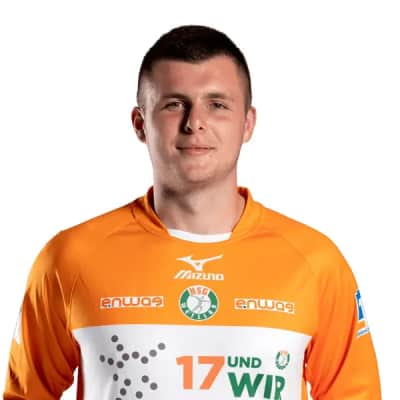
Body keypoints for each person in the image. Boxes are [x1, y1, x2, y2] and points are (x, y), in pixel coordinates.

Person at [3, 24, 381, 399]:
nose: (194, 122)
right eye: (174, 104)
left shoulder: (316, 263)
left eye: (217, 105)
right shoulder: (71, 258)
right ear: (140, 124)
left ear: (247, 123)